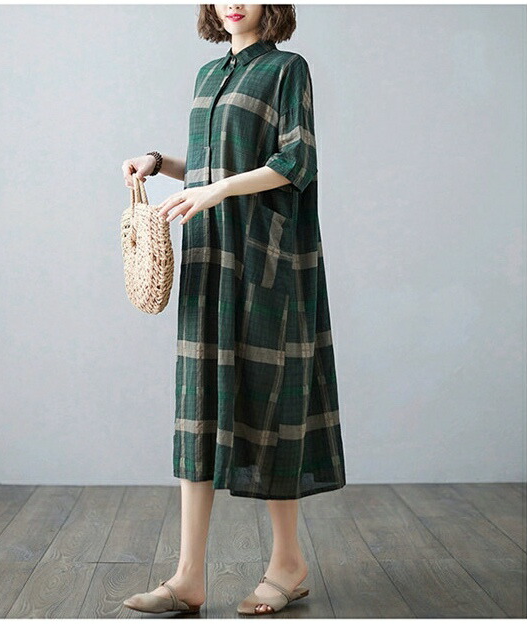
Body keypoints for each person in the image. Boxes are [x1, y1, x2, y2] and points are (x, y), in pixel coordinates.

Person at [120, 3, 346, 616]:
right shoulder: (207, 75)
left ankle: (288, 563)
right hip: (208, 255)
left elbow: (294, 161)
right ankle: (188, 577)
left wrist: (217, 189)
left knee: (270, 399)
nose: (233, 1)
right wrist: (158, 163)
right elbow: (209, 165)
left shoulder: (287, 69)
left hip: (265, 257)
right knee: (198, 404)